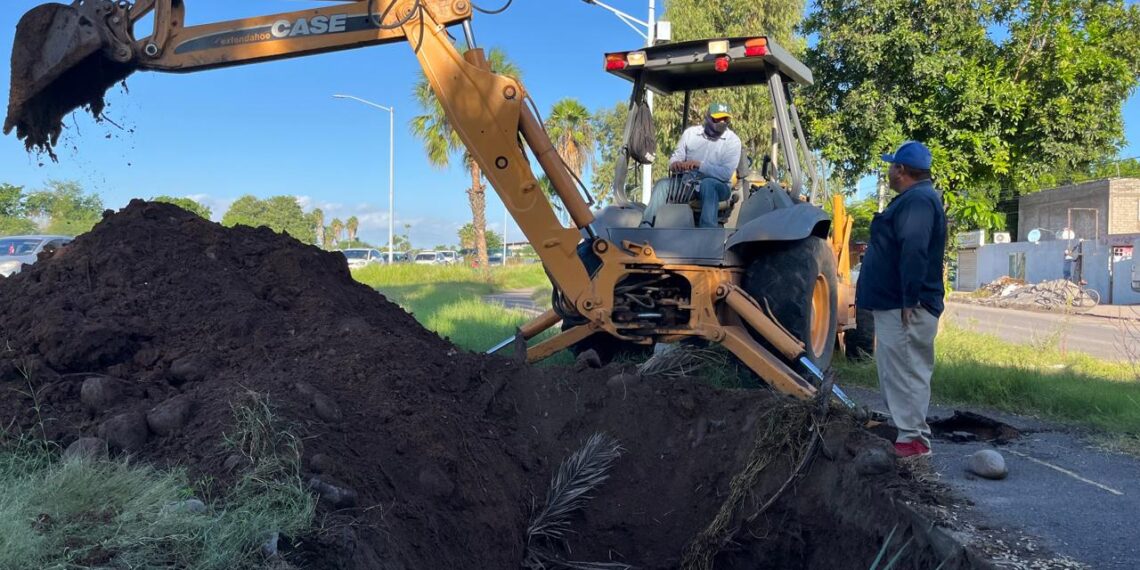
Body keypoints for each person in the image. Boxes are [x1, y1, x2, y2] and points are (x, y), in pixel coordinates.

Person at [855, 140, 947, 459]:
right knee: (899, 370)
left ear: (902, 170)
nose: (889, 171)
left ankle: (914, 443)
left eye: (892, 165)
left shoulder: (918, 202)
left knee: (907, 370)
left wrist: (910, 298)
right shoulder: (915, 199)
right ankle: (909, 434)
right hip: (897, 302)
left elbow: (915, 249)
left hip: (906, 304)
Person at [640, 102, 742, 228]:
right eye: (717, 118)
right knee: (662, 185)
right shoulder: (690, 134)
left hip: (719, 187)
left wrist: (699, 165)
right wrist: (675, 164)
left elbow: (725, 174)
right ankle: (646, 226)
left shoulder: (733, 141)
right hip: (688, 185)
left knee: (708, 184)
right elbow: (676, 157)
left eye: (725, 119)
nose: (722, 122)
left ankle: (707, 231)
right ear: (707, 117)